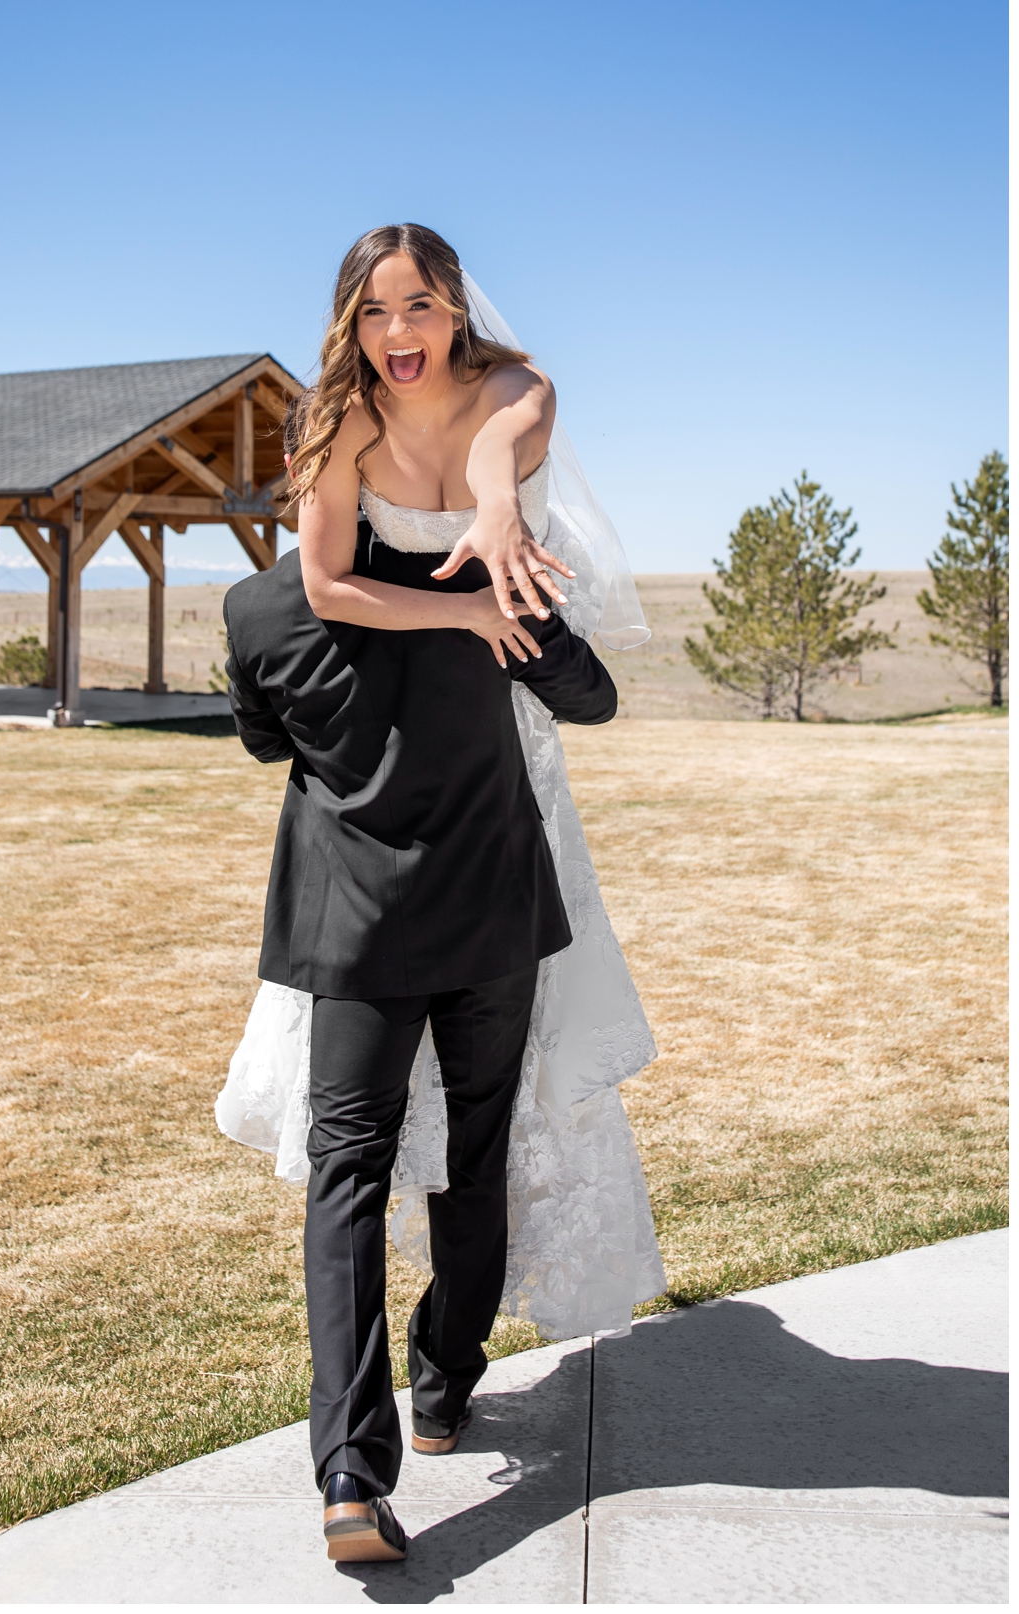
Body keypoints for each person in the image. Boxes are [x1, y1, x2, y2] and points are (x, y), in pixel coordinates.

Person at [215, 223, 665, 1563]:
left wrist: (492, 510)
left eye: (419, 304)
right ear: (350, 329)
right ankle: (415, 1406)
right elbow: (344, 575)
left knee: (362, 1173)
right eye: (374, 310)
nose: (398, 327)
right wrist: (477, 606)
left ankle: (372, 1452)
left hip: (387, 906)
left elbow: (482, 445)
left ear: (455, 311)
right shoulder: (454, 568)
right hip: (452, 898)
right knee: (452, 1152)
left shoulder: (482, 449)